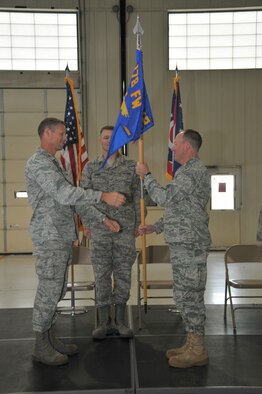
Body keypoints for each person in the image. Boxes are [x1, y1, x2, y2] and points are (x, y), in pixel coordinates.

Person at [25, 118, 126, 366]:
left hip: (59, 236)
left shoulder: (55, 164)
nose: (65, 138)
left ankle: (49, 338)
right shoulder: (39, 163)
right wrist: (103, 195)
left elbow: (75, 202)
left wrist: (102, 220)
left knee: (57, 289)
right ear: (47, 133)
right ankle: (40, 345)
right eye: (60, 133)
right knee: (49, 290)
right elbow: (64, 193)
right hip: (49, 237)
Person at [136, 129, 211, 369]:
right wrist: (155, 227)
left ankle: (198, 349)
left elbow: (166, 199)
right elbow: (180, 209)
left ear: (188, 146)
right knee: (184, 295)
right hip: (184, 244)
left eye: (176, 143)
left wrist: (146, 175)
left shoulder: (192, 172)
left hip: (190, 246)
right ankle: (191, 343)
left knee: (190, 297)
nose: (173, 148)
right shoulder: (186, 172)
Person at [80, 125, 141, 339]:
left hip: (125, 230)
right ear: (99, 141)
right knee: (102, 273)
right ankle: (103, 321)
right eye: (105, 137)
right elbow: (84, 199)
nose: (108, 141)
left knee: (124, 273)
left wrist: (138, 223)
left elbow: (138, 198)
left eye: (112, 138)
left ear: (120, 141)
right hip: (99, 229)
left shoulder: (131, 167)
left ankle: (120, 320)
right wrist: (87, 223)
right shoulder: (90, 168)